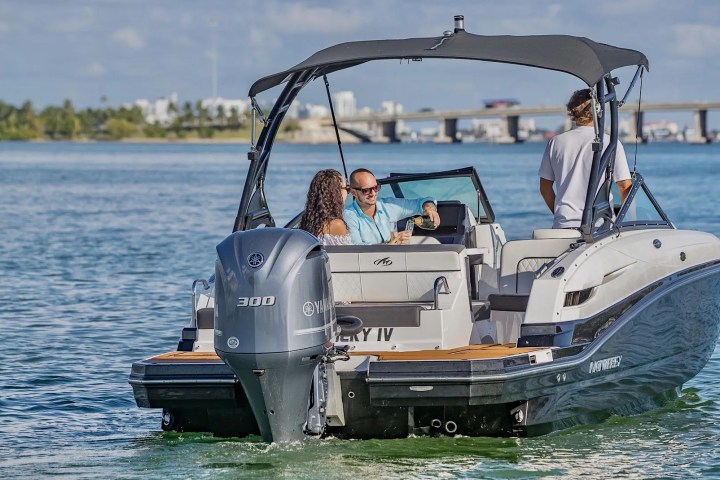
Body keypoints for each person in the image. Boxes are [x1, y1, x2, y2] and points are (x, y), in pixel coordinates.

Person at [539, 89, 632, 229]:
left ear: (572, 111)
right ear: (598, 111)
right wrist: (626, 220)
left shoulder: (556, 142)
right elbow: (624, 186)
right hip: (600, 226)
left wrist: (561, 216)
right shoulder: (611, 142)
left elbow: (545, 188)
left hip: (563, 226)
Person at [343, 168, 440, 245]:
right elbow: (355, 247)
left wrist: (430, 209)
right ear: (353, 192)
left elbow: (422, 201)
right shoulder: (349, 216)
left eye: (376, 187)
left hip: (395, 259)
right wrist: (388, 245)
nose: (373, 193)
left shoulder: (389, 206)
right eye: (366, 190)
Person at [299, 169, 352, 246]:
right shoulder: (336, 224)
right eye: (347, 189)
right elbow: (349, 254)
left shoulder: (308, 222)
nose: (348, 192)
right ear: (336, 193)